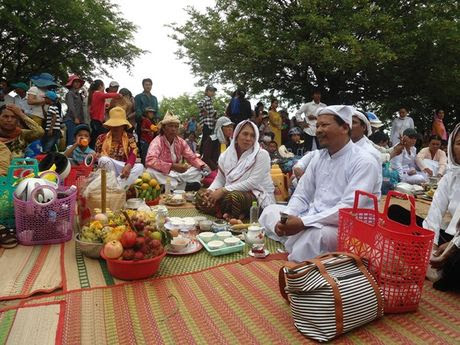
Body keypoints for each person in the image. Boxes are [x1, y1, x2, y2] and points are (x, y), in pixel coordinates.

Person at [259, 105, 381, 262]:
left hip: (348, 228)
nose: (318, 130)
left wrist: (303, 223)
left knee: (314, 237)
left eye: (324, 125)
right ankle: (296, 240)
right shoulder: (319, 157)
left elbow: (348, 210)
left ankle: (298, 251)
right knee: (270, 211)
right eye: (317, 126)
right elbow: (302, 194)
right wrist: (287, 217)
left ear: (344, 127)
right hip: (313, 218)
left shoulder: (364, 161)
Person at [389, 124, 460, 291]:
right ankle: (433, 262)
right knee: (396, 213)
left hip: (456, 244)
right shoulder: (451, 176)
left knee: (455, 267)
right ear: (452, 146)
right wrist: (432, 246)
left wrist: (453, 246)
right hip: (447, 239)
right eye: (459, 143)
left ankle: (439, 267)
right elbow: (435, 214)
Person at [196, 120, 275, 219]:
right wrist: (211, 191)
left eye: (252, 136)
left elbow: (252, 183)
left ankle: (227, 211)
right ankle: (232, 213)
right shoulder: (226, 155)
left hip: (256, 194)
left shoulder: (261, 155)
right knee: (201, 194)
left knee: (234, 197)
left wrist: (223, 191)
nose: (248, 138)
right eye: (245, 134)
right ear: (237, 135)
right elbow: (220, 179)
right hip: (230, 192)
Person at [145, 111, 209, 191]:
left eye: (176, 127)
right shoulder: (157, 141)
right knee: (150, 172)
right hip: (163, 173)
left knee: (197, 170)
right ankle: (181, 186)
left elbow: (191, 157)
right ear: (164, 128)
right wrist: (172, 166)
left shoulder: (180, 142)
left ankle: (173, 186)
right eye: (171, 126)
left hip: (177, 173)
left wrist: (202, 166)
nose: (173, 129)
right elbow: (150, 160)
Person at [95, 107, 143, 190]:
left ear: (124, 126)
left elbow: (133, 152)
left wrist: (128, 165)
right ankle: (118, 186)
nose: (116, 127)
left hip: (124, 168)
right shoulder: (101, 138)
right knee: (103, 160)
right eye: (113, 125)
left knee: (140, 167)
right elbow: (97, 159)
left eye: (119, 125)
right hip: (108, 168)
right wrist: (97, 156)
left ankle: (115, 187)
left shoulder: (130, 137)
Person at [88, 80, 121, 148]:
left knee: (95, 136)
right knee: (98, 137)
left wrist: (106, 105)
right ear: (100, 86)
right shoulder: (98, 93)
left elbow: (98, 105)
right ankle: (93, 150)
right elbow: (108, 95)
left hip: (96, 120)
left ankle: (92, 149)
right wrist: (118, 95)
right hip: (96, 120)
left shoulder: (95, 94)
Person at [64, 75, 85, 145]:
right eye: (75, 82)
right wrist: (75, 117)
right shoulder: (70, 93)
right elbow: (71, 107)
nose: (77, 83)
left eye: (78, 82)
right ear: (71, 83)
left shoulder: (79, 95)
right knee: (71, 140)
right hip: (71, 119)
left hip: (78, 120)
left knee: (77, 140)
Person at [197, 85, 218, 153]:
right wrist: (204, 110)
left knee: (207, 139)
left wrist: (214, 113)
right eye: (211, 91)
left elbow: (210, 113)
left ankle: (204, 154)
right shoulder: (206, 99)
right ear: (206, 91)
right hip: (206, 123)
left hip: (210, 123)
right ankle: (202, 154)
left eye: (213, 91)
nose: (212, 92)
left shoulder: (210, 100)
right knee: (205, 140)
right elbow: (199, 103)